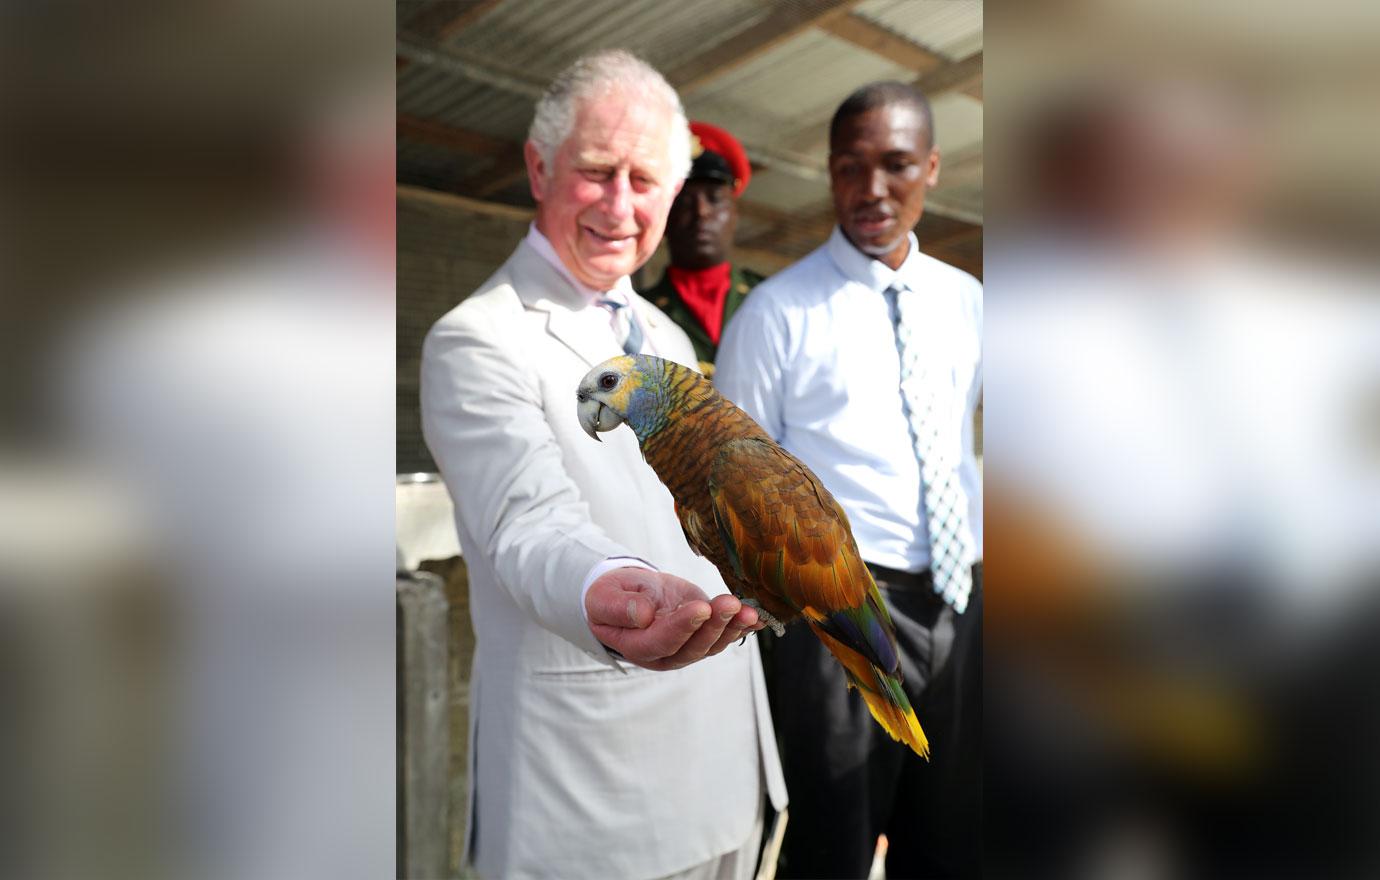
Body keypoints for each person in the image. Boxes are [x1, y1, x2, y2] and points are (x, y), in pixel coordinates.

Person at [420, 50, 786, 880]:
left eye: (646, 180)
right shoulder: (478, 339)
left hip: (729, 772)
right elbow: (528, 522)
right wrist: (611, 587)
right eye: (596, 172)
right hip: (597, 797)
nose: (622, 206)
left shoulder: (667, 340)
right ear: (539, 166)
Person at [716, 81, 982, 878]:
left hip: (963, 606)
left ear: (932, 168)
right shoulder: (776, 313)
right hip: (838, 617)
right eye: (849, 168)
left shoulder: (969, 302)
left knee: (951, 842)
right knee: (834, 844)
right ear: (829, 173)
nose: (871, 190)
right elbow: (729, 485)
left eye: (896, 165)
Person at [639, 121, 764, 376]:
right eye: (683, 201)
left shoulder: (773, 298)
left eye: (715, 199)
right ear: (663, 215)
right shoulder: (638, 314)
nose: (701, 212)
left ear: (734, 213)